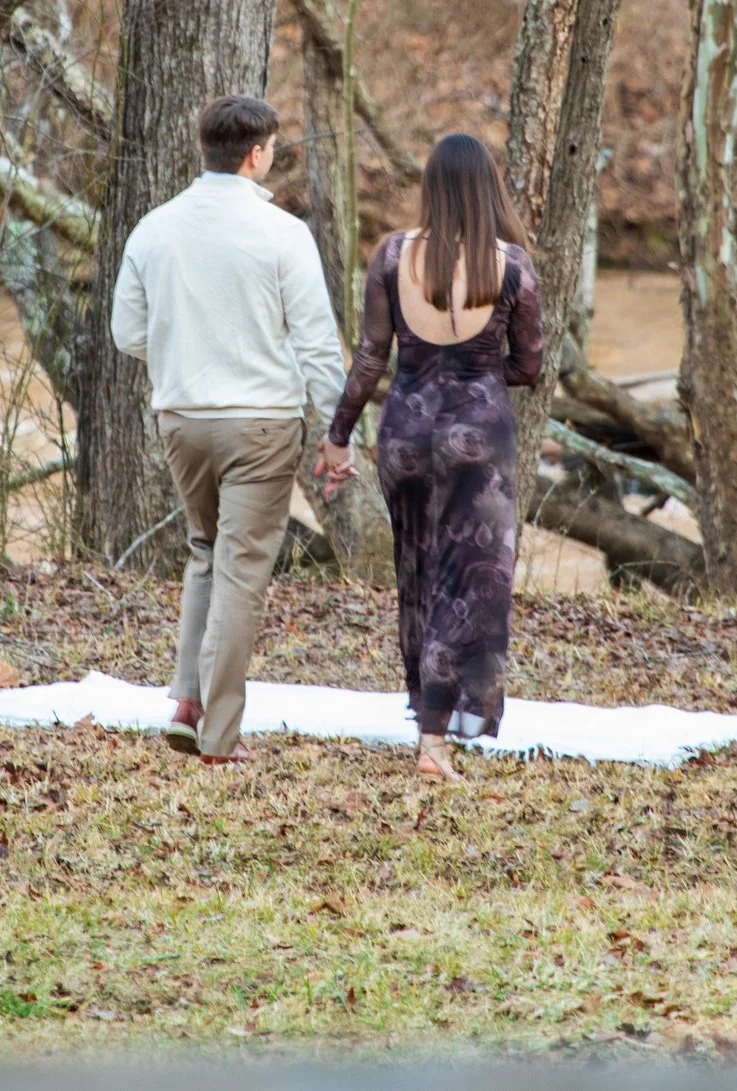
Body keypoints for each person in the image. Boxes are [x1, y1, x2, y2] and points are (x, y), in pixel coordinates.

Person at [110, 95, 350, 766]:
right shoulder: (282, 234)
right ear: (256, 153)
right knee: (241, 569)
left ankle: (187, 699)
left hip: (183, 417)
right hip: (261, 423)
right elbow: (317, 344)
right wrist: (337, 431)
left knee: (206, 552)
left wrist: (185, 348)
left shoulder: (154, 228)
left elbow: (128, 333)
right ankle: (216, 734)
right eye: (272, 146)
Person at [320, 133, 543, 782]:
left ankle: (427, 711)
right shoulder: (512, 265)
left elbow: (369, 359)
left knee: (419, 573)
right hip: (478, 436)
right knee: (470, 584)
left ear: (430, 188)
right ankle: (435, 739)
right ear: (486, 189)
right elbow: (528, 365)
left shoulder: (391, 255)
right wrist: (482, 373)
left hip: (406, 435)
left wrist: (338, 435)